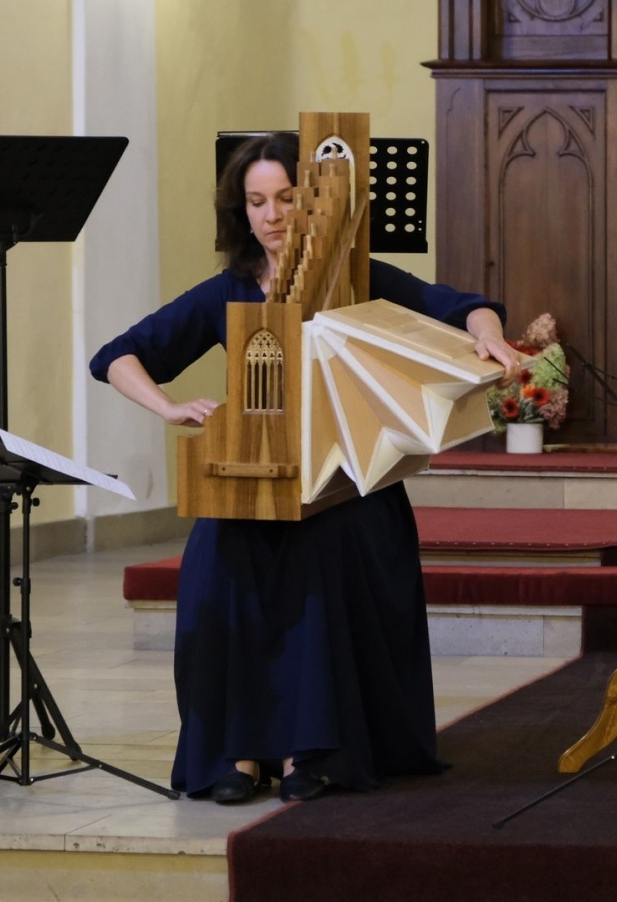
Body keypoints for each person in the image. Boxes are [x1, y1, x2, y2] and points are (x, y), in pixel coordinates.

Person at [90, 133, 517, 805]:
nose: (272, 214)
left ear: (313, 201)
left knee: (322, 549)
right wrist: (168, 407)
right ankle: (240, 749)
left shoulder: (358, 278)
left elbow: (462, 305)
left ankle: (310, 748)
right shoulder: (227, 290)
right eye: (256, 201)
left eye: (286, 197)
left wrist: (487, 334)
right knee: (219, 560)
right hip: (254, 477)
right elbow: (119, 354)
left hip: (345, 482)